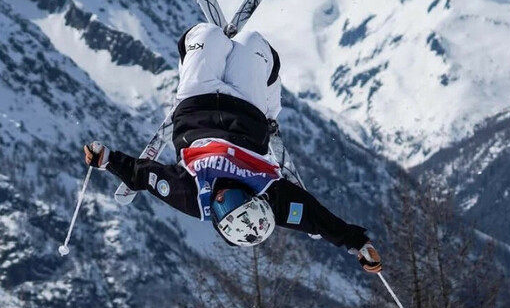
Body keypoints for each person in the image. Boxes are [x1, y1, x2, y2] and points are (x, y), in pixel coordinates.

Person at [83, 22, 382, 273]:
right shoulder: (272, 199)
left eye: (222, 208)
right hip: (247, 107)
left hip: (195, 102)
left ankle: (209, 51)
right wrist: (358, 244)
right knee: (256, 44)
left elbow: (143, 175)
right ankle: (268, 104)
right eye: (236, 199)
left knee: (203, 35)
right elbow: (318, 220)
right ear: (253, 198)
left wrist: (106, 159)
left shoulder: (191, 197)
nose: (223, 197)